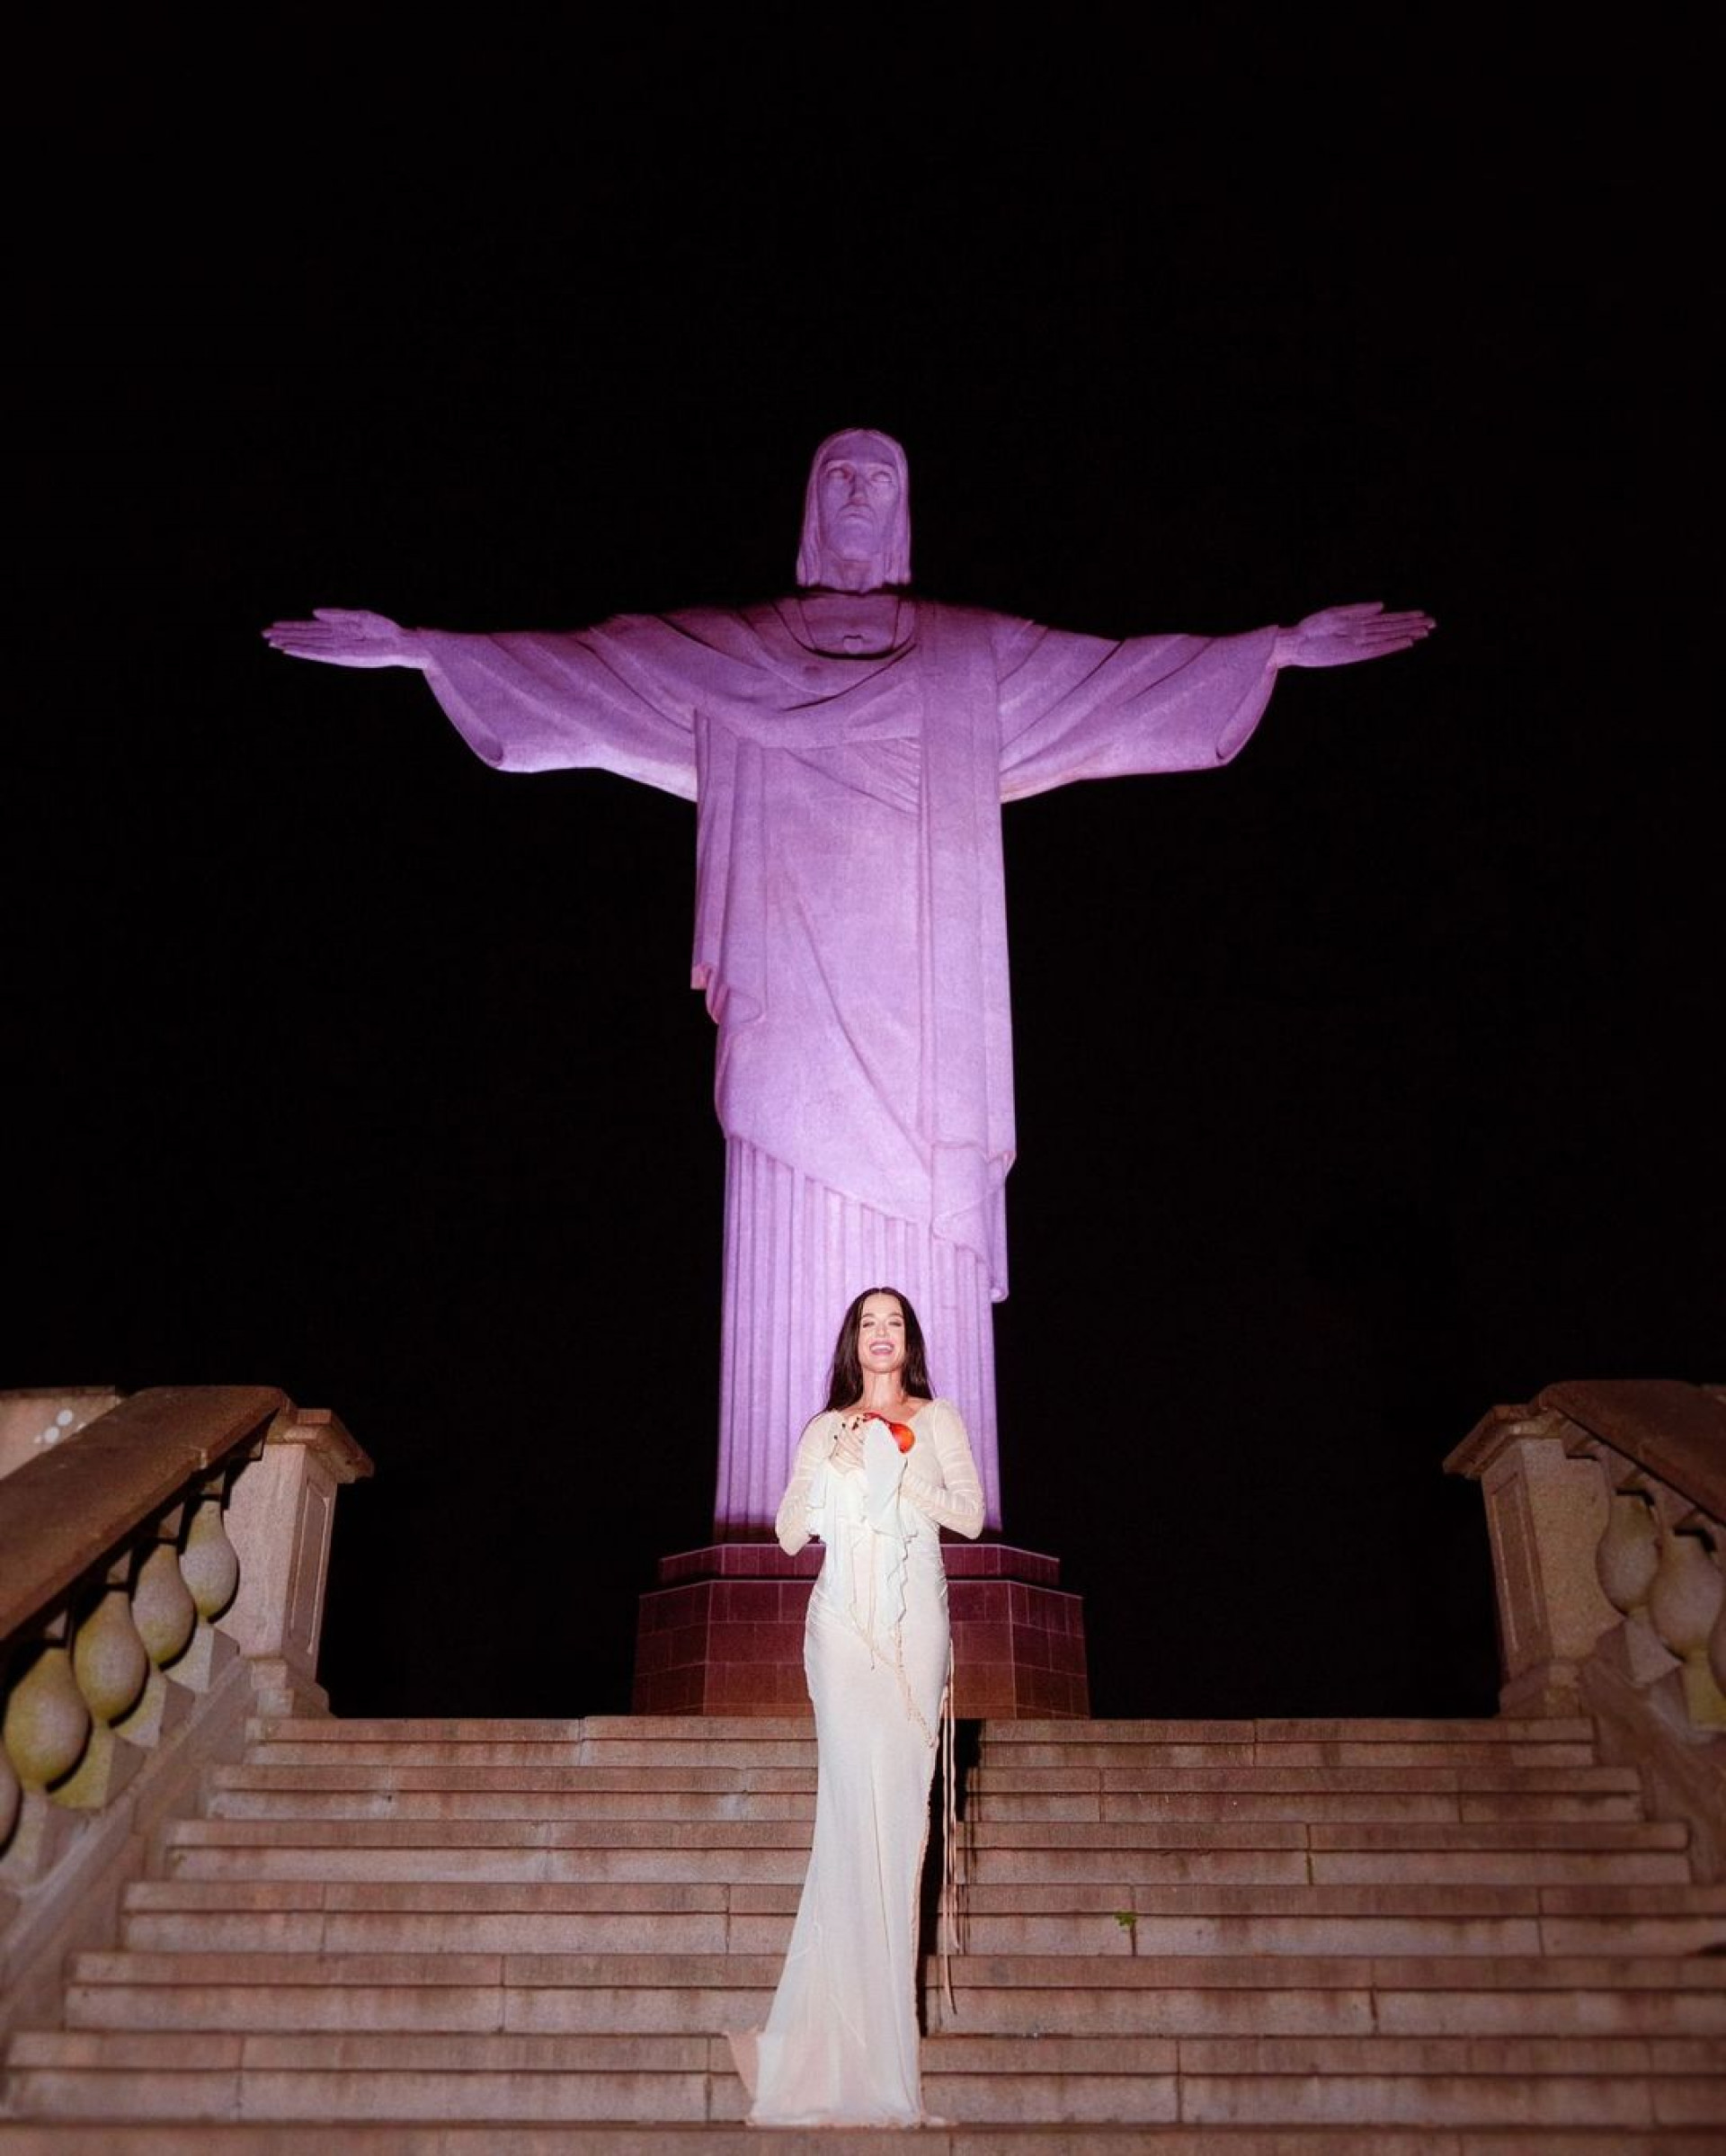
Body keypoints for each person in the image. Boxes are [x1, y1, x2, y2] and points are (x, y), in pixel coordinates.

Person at [263, 429, 1431, 1534]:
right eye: (841, 477)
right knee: (788, 1271)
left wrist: (1268, 649)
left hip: (925, 1028)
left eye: (883, 476)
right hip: (789, 1014)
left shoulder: (971, 655)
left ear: (907, 510)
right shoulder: (738, 648)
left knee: (925, 1277)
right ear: (811, 511)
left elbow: (1115, 684)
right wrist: (428, 648)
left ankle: (935, 1526)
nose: (862, 495)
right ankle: (776, 1524)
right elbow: (589, 672)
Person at [729, 1286, 983, 2128]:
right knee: (846, 1826)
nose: (881, 1335)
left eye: (895, 1323)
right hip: (841, 1632)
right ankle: (820, 2048)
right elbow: (789, 1532)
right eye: (868, 1324)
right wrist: (834, 1464)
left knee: (899, 1833)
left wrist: (903, 1476)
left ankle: (887, 2067)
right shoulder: (823, 1425)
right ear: (854, 1340)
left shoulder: (936, 1418)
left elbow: (972, 1518)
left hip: (914, 1635)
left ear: (909, 1342)